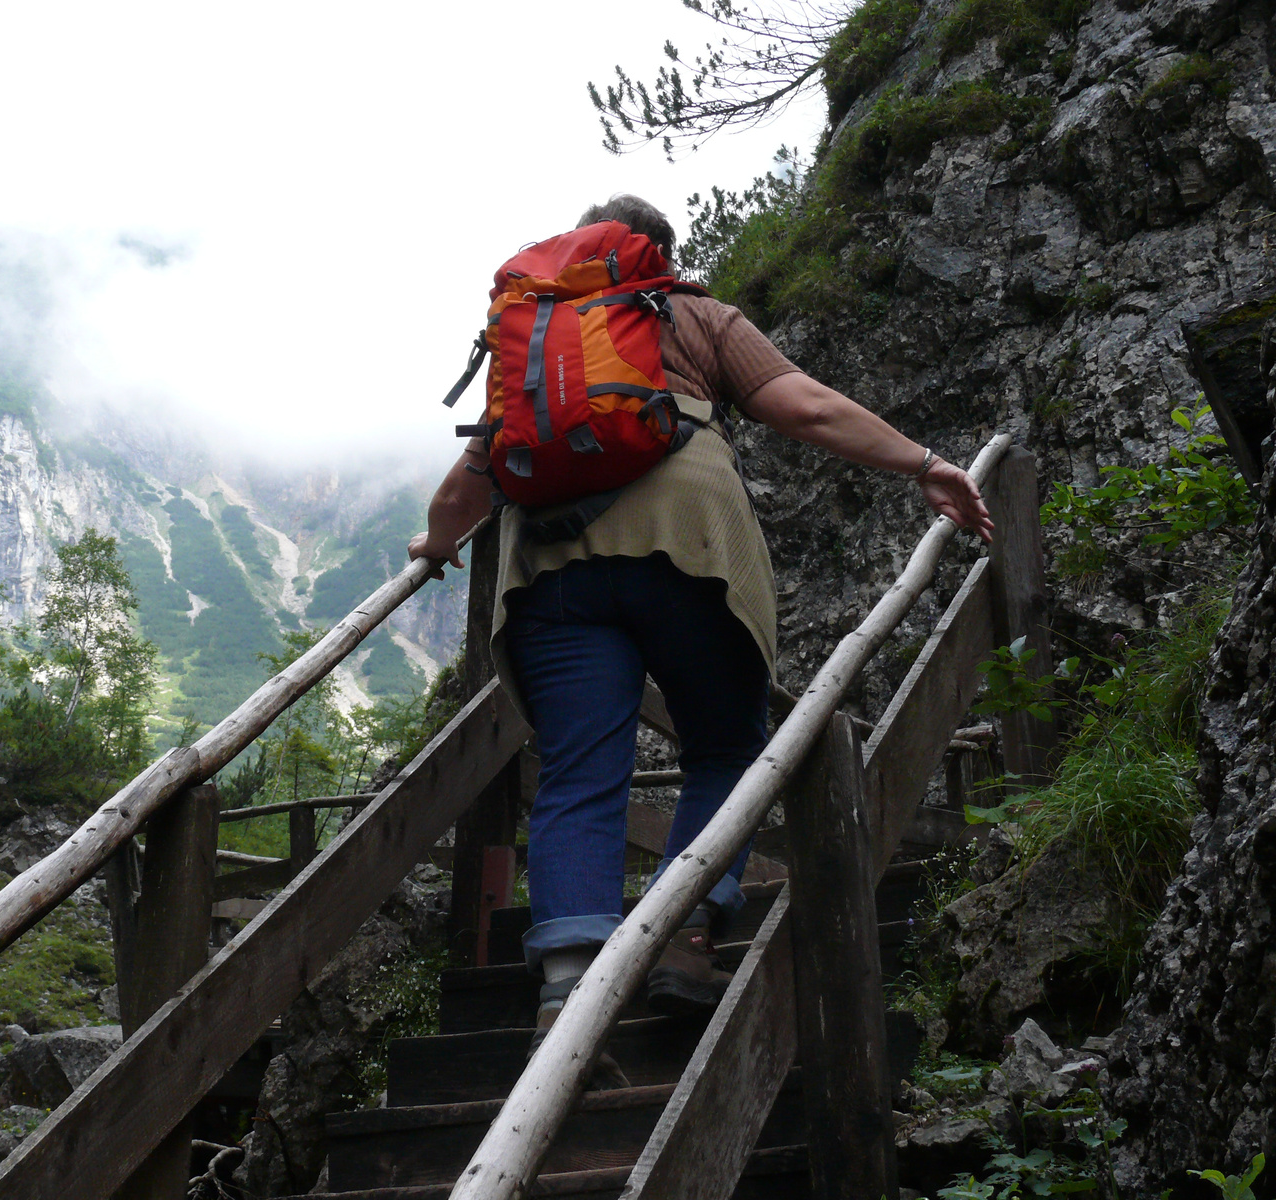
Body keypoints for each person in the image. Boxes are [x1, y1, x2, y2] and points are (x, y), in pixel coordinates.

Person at [408, 194, 993, 1069]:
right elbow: (806, 406)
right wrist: (927, 464)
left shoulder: (534, 337)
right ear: (661, 251)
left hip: (551, 568)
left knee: (576, 766)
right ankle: (685, 938)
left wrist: (439, 540)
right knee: (726, 747)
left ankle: (568, 992)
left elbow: (476, 471)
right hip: (691, 548)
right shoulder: (692, 313)